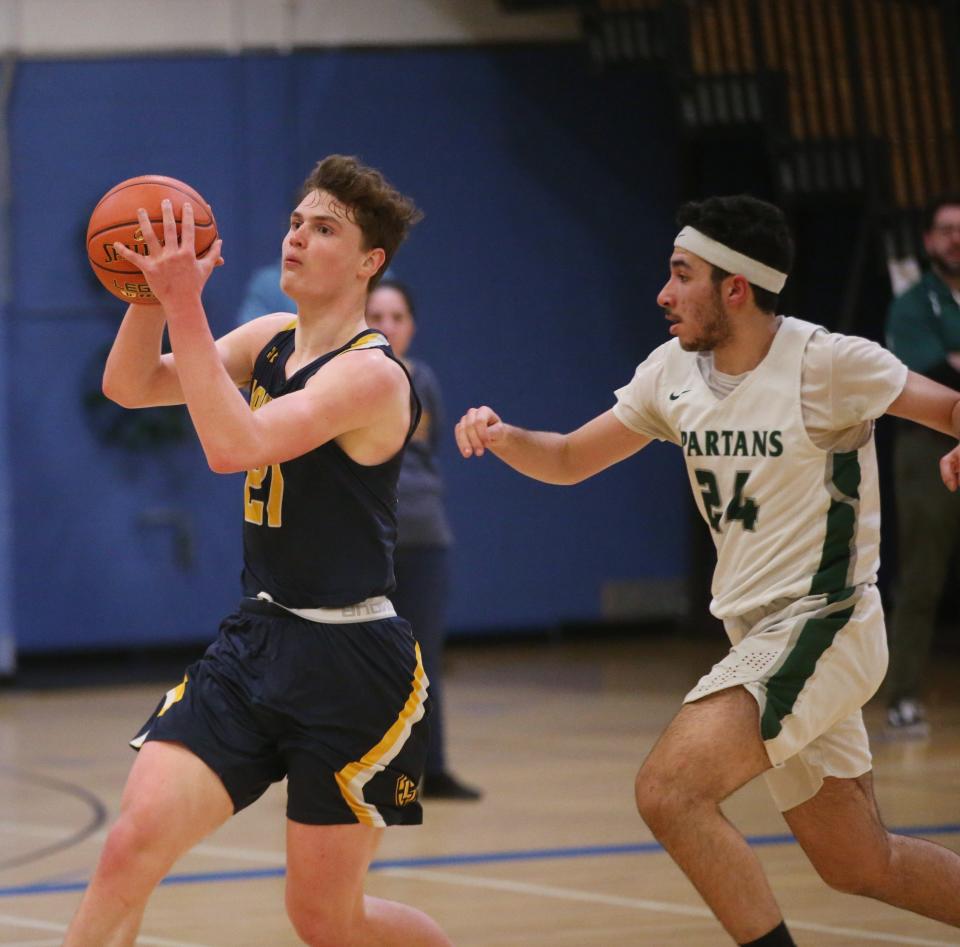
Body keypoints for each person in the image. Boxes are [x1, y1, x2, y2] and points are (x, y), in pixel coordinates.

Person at [455, 195, 960, 946]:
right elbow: (567, 458)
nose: (663, 293)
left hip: (824, 621)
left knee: (668, 789)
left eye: (680, 274)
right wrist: (503, 437)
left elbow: (949, 408)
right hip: (758, 635)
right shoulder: (671, 372)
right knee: (859, 860)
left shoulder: (827, 362)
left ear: (735, 288)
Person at [65, 155, 452, 947]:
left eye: (324, 228)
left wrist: (184, 302)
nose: (297, 238)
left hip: (354, 665)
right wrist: (148, 291)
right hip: (257, 642)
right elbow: (131, 385)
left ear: (369, 261)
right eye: (295, 222)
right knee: (128, 846)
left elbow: (233, 445)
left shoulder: (376, 377)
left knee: (325, 920)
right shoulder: (272, 338)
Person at [366, 279, 481, 801]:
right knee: (367, 658)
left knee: (423, 657)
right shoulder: (345, 378)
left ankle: (430, 770)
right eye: (377, 316)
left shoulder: (423, 379)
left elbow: (429, 449)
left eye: (397, 317)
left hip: (423, 534)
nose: (387, 326)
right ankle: (368, 771)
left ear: (411, 326)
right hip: (366, 537)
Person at [883, 194, 960, 737]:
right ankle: (902, 694)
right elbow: (933, 374)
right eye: (945, 230)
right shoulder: (913, 303)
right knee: (923, 574)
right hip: (927, 443)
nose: (955, 238)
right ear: (930, 241)